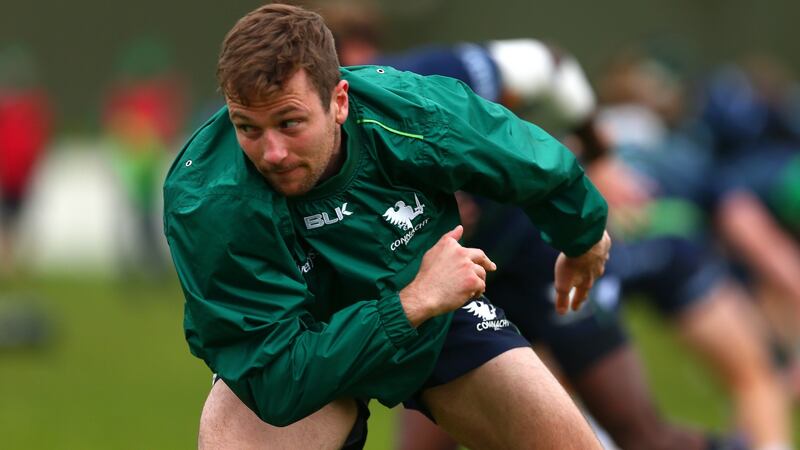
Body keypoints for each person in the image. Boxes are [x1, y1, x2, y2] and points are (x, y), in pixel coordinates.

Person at [163, 4, 611, 449]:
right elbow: (275, 381)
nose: (272, 152)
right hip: (302, 346)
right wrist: (410, 302)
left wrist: (584, 234)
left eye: (289, 122)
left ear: (339, 101)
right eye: (247, 127)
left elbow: (523, 157)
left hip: (434, 321)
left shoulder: (406, 110)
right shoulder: (208, 200)